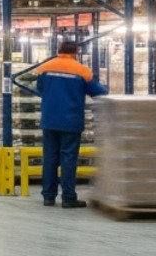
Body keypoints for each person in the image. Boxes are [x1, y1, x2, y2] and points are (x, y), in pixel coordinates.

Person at [33, 40, 107, 209]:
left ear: (59, 50)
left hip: (49, 120)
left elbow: (40, 89)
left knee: (50, 158)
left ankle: (48, 196)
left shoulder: (45, 68)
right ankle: (68, 198)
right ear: (76, 52)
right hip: (70, 120)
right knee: (68, 159)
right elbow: (99, 93)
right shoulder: (82, 71)